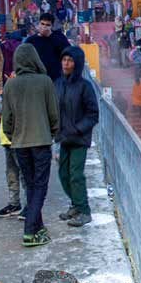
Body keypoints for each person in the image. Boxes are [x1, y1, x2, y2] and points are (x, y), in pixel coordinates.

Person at [1, 44, 60, 247]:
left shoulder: (10, 85)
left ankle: (38, 228)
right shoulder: (45, 82)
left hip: (19, 144)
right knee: (40, 187)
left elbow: (6, 118)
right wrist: (52, 133)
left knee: (31, 185)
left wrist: (13, 136)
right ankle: (29, 231)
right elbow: (54, 114)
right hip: (41, 141)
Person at [55, 46, 100, 228]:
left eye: (70, 60)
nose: (66, 64)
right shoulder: (57, 84)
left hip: (79, 139)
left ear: (77, 63)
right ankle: (75, 204)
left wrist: (77, 129)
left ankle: (84, 210)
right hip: (63, 138)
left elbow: (93, 114)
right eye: (64, 60)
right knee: (63, 174)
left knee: (75, 175)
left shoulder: (85, 87)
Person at [24, 13, 70, 81]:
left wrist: (50, 36)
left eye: (48, 25)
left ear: (52, 26)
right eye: (42, 24)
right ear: (39, 24)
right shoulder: (31, 40)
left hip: (56, 78)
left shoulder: (59, 37)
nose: (44, 27)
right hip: (37, 78)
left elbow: (68, 51)